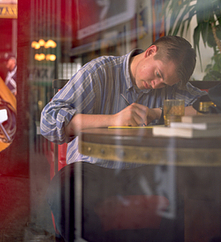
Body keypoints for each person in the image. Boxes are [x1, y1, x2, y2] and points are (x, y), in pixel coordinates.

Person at [40, 36, 206, 241]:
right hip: (92, 167)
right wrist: (113, 119)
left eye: (163, 83)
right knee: (62, 189)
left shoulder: (168, 86)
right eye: (157, 74)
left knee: (188, 182)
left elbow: (209, 107)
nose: (155, 85)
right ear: (150, 51)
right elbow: (48, 121)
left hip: (143, 169)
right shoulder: (100, 72)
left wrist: (157, 113)